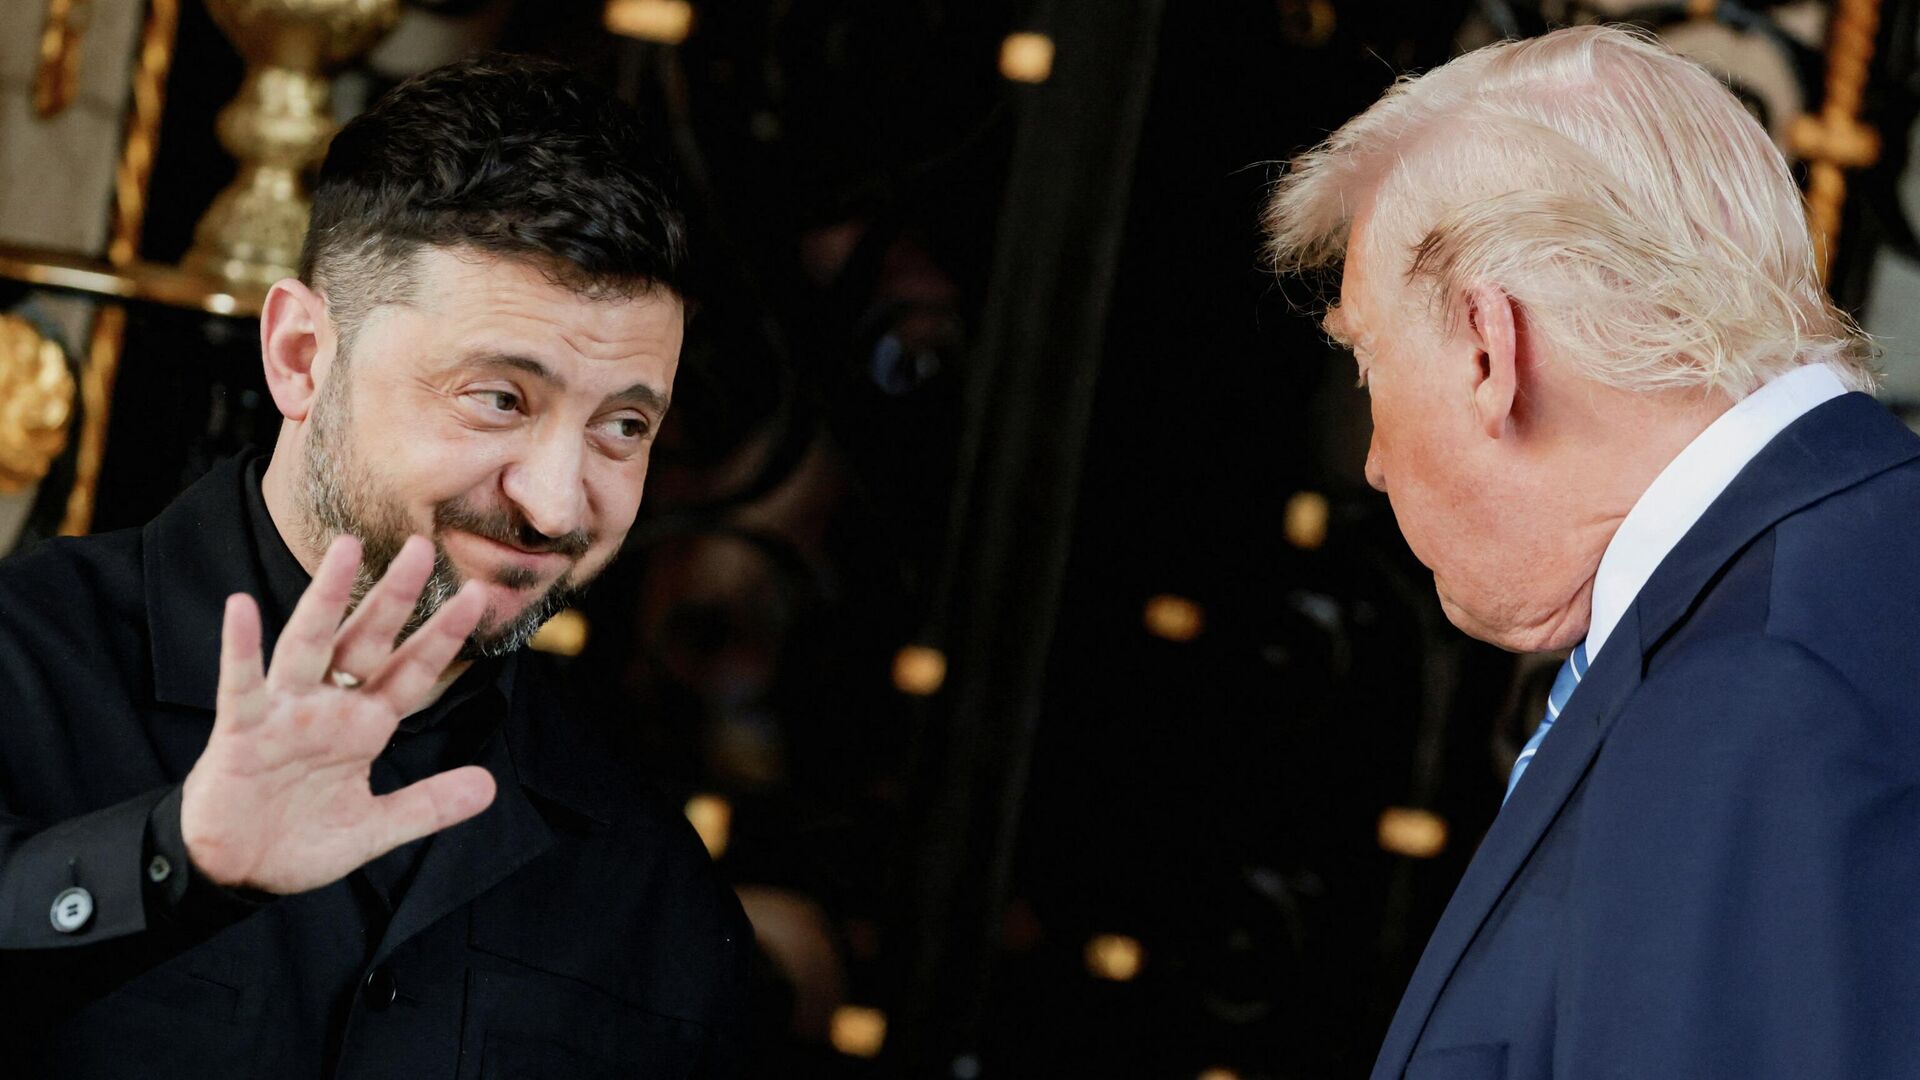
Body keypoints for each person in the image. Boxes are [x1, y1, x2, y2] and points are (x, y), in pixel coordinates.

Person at [0, 55, 750, 1076]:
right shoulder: (20, 661)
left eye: (623, 425)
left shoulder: (657, 893)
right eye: (499, 398)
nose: (555, 503)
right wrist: (171, 861)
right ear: (302, 356)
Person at [1266, 24, 1919, 1080]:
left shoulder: (1747, 700)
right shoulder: (1854, 574)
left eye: (1370, 362)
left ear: (1490, 351)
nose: (1376, 463)